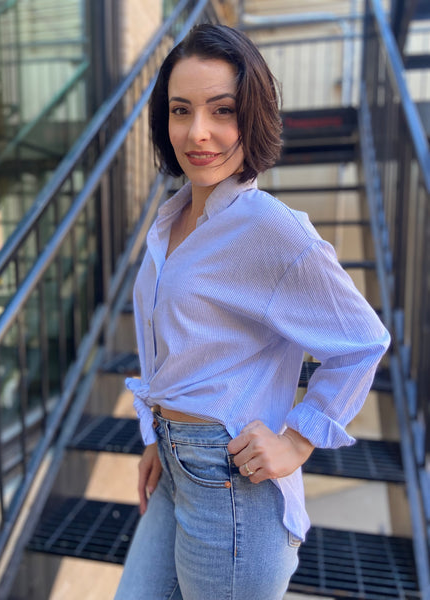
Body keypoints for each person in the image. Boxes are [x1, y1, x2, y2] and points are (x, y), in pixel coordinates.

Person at [113, 23, 390, 600]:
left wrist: (298, 440)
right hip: (173, 467)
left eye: (222, 110)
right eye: (180, 110)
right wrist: (152, 435)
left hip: (230, 487)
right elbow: (165, 338)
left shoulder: (270, 229)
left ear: (253, 115)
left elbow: (363, 340)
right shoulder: (172, 216)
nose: (199, 133)